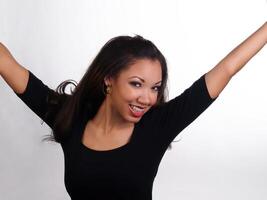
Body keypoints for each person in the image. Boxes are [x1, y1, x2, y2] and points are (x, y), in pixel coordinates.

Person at [0, 22, 266, 200]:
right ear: (109, 79)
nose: (148, 98)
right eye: (137, 84)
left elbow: (227, 68)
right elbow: (8, 65)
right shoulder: (70, 118)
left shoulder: (159, 125)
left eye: (155, 87)